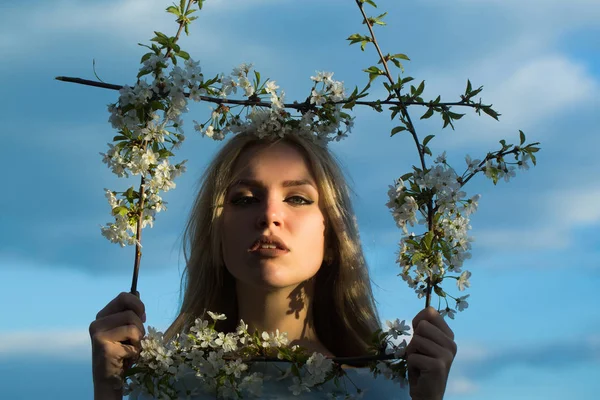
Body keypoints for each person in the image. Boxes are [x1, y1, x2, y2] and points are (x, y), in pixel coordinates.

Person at [89, 129, 457, 399]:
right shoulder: (167, 387)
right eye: (246, 199)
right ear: (215, 235)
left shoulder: (380, 389)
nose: (270, 216)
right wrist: (108, 390)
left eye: (297, 198)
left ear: (332, 236)